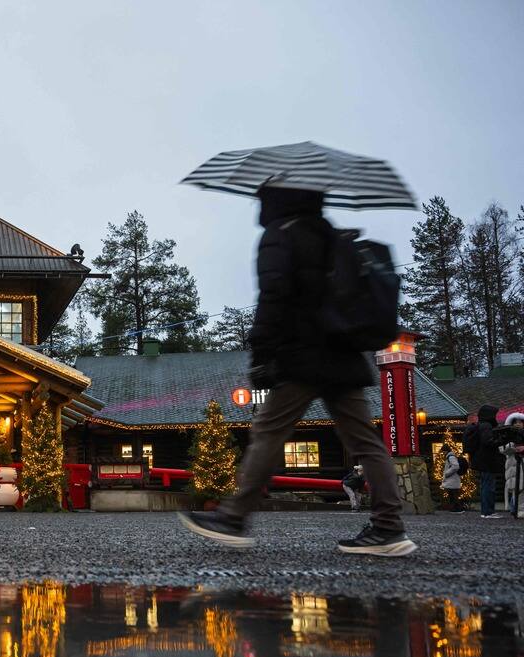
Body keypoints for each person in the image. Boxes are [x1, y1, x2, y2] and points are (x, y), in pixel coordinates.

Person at [177, 185, 416, 557]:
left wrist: (261, 353)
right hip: (345, 354)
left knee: (269, 430)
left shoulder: (281, 235)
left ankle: (234, 517)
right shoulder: (332, 235)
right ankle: (389, 527)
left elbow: (273, 297)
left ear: (276, 200)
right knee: (366, 442)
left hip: (303, 354)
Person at [466, 404, 504, 519]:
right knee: (489, 486)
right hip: (487, 461)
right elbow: (488, 442)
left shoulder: (480, 425)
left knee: (485, 485)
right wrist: (500, 440)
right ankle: (488, 512)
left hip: (481, 461)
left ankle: (485, 511)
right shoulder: (486, 426)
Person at [501, 412, 524, 518]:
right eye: (516, 422)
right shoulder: (507, 435)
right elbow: (502, 449)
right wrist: (512, 446)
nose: (518, 424)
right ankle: (517, 510)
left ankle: (518, 510)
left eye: (520, 422)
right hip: (513, 466)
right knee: (516, 489)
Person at [440, 444, 465, 513]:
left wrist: (447, 473)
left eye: (443, 451)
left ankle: (458, 509)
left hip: (452, 479)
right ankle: (454, 509)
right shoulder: (450, 456)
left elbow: (456, 466)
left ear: (446, 451)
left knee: (453, 495)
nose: (443, 453)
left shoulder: (450, 457)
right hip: (452, 479)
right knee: (452, 494)